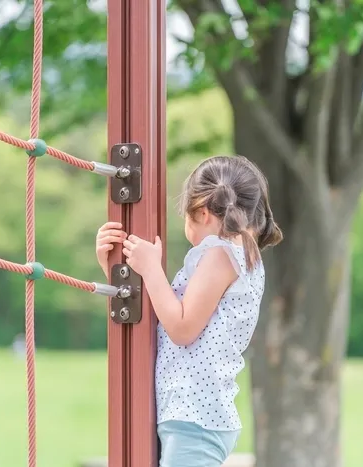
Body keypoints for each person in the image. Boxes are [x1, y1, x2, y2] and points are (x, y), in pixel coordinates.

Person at [95, 155, 283, 467]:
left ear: (202, 212)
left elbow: (181, 329)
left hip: (194, 417)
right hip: (193, 414)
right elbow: (166, 319)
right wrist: (112, 270)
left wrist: (152, 269)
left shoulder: (220, 256)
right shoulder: (240, 257)